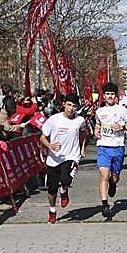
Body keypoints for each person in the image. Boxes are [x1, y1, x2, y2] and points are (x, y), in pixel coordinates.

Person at [40, 93, 86, 224]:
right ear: (64, 105)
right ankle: (52, 210)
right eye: (69, 105)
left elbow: (84, 132)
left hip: (71, 156)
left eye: (74, 106)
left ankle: (64, 189)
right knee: (51, 188)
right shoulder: (54, 119)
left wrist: (82, 147)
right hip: (54, 158)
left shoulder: (80, 120)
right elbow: (42, 137)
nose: (71, 109)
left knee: (66, 179)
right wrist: (50, 145)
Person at [93, 82, 127, 220]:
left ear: (115, 96)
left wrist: (121, 127)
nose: (110, 97)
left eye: (112, 94)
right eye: (107, 94)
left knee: (114, 177)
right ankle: (105, 205)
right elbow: (97, 125)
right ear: (104, 96)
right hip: (103, 147)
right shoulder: (99, 111)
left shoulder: (122, 110)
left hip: (118, 147)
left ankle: (113, 182)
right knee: (103, 176)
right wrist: (96, 131)